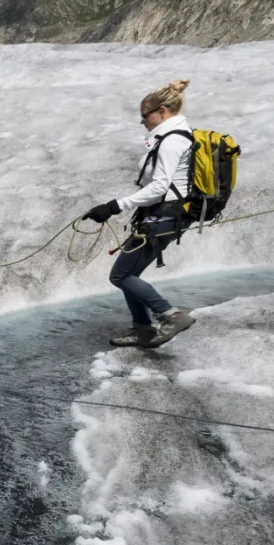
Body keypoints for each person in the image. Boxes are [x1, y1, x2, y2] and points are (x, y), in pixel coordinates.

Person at [83, 79, 198, 348]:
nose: (144, 122)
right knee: (129, 275)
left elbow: (160, 187)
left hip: (165, 215)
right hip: (161, 215)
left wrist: (115, 206)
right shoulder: (172, 136)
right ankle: (143, 330)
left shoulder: (172, 141)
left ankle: (171, 315)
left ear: (163, 110)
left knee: (120, 276)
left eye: (145, 116)